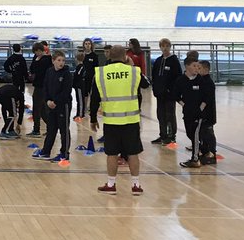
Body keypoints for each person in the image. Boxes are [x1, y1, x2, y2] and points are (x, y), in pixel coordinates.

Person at [88, 45, 148, 195]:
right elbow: (146, 84)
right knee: (133, 153)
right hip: (131, 120)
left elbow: (94, 98)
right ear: (125, 56)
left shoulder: (101, 73)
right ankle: (135, 185)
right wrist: (132, 65)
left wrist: (93, 118)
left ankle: (111, 184)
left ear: (109, 57)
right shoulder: (134, 72)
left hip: (111, 121)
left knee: (112, 154)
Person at [35, 49, 74, 163]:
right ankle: (46, 151)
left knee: (64, 129)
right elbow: (45, 87)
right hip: (51, 105)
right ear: (53, 61)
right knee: (51, 128)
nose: (61, 62)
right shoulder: (49, 71)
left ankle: (64, 153)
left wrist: (55, 102)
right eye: (59, 60)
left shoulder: (66, 74)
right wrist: (47, 100)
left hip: (63, 105)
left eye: (63, 60)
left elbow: (66, 91)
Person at [180, 61, 218, 168]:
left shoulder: (208, 82)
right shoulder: (201, 81)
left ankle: (211, 154)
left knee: (207, 134)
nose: (197, 70)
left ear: (206, 69)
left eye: (200, 68)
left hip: (207, 114)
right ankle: (205, 153)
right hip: (201, 114)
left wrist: (201, 110)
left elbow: (207, 99)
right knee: (199, 135)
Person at [150, 38, 181, 145]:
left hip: (169, 95)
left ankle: (171, 136)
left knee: (169, 115)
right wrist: (155, 89)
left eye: (166, 46)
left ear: (170, 47)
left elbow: (178, 77)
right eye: (162, 46)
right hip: (160, 94)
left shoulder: (174, 61)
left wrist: (173, 91)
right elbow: (154, 76)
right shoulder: (158, 60)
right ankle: (162, 135)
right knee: (160, 114)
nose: (164, 48)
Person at [27, 41, 53, 136]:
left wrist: (37, 62)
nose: (36, 54)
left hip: (43, 86)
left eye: (36, 52)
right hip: (37, 85)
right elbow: (32, 69)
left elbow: (40, 71)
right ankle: (51, 127)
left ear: (40, 50)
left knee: (37, 109)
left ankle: (36, 130)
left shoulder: (46, 59)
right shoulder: (36, 58)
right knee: (42, 110)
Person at [75, 39, 99, 129]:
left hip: (91, 78)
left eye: (89, 44)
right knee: (83, 94)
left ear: (91, 45)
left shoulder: (94, 56)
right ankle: (83, 109)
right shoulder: (82, 55)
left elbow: (96, 67)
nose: (87, 45)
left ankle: (87, 108)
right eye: (86, 44)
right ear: (83, 45)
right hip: (82, 79)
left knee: (89, 93)